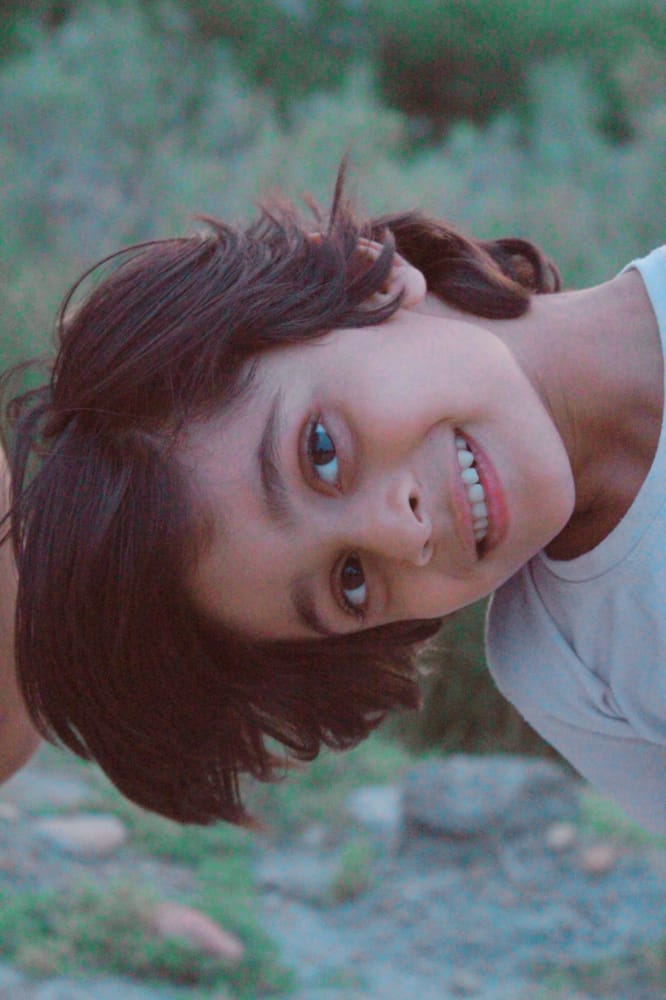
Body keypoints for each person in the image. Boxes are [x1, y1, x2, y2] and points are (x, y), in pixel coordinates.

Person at [1, 167, 664, 832]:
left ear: (359, 280)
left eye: (321, 452)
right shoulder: (567, 670)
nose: (400, 535)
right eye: (351, 582)